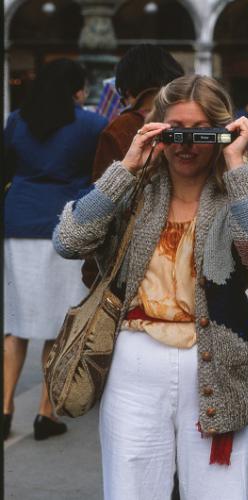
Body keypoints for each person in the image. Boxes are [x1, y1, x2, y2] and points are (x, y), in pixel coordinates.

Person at [53, 75, 248, 499]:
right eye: (176, 131)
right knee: (132, 489)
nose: (186, 145)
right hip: (135, 360)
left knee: (219, 491)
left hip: (215, 358)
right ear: (159, 129)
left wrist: (237, 166)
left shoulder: (235, 193)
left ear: (221, 131)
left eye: (200, 133)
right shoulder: (136, 187)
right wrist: (126, 167)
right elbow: (69, 240)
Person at [3, 59, 108, 441]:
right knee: (58, 324)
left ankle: (5, 408)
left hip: (18, 223)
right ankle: (46, 413)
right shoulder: (91, 125)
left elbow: (6, 170)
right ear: (78, 90)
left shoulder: (17, 120)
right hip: (66, 225)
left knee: (15, 325)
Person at [81, 44, 184, 289]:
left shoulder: (121, 128)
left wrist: (93, 271)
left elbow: (103, 203)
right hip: (190, 248)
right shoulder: (196, 124)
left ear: (128, 89)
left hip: (135, 259)